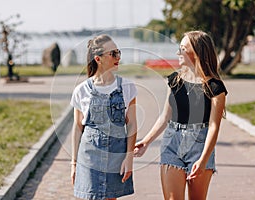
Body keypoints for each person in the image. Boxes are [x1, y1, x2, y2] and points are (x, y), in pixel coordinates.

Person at [134, 30, 228, 200]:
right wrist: (146, 142)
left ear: (197, 53)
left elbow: (214, 127)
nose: (178, 52)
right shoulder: (174, 80)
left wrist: (203, 159)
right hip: (172, 143)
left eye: (183, 49)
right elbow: (165, 116)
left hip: (200, 146)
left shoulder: (215, 88)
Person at [70, 34, 137, 200]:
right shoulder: (81, 90)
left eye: (118, 52)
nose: (118, 57)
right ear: (98, 59)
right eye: (113, 54)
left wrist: (129, 157)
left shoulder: (127, 87)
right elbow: (78, 128)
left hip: (116, 155)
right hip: (89, 156)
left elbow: (132, 125)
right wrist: (74, 163)